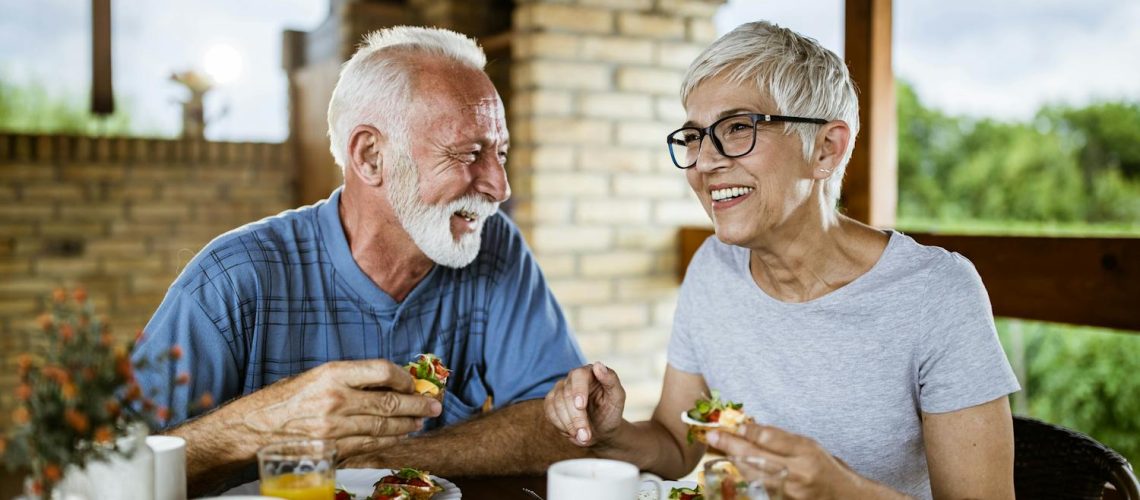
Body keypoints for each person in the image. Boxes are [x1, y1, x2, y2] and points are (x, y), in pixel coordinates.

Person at [544, 21, 1019, 500]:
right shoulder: (713, 266)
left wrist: (841, 491)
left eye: (737, 128)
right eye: (694, 137)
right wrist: (611, 432)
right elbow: (675, 443)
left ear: (826, 149)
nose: (706, 163)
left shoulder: (936, 292)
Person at [132, 26, 588, 495]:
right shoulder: (231, 280)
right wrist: (263, 424)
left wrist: (385, 461)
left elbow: (561, 421)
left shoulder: (494, 248)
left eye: (501, 153)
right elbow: (106, 468)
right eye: (469, 154)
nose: (500, 186)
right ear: (371, 157)